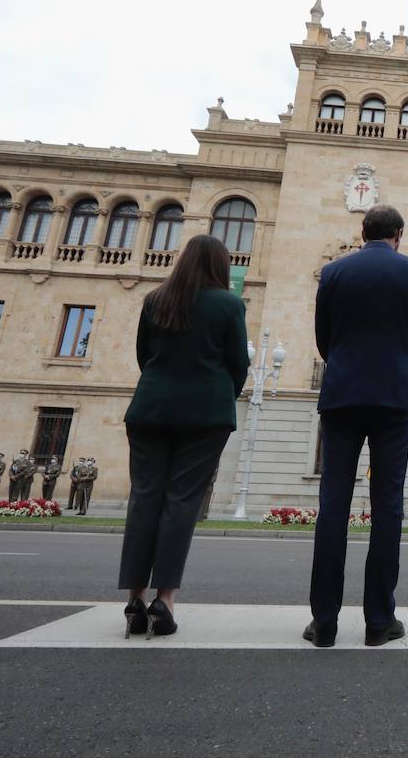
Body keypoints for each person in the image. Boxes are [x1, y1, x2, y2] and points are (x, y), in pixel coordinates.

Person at [305, 205, 408, 649]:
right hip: (393, 400)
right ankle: (380, 621)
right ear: (399, 234)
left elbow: (324, 337)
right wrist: (399, 370)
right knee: (388, 509)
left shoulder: (334, 273)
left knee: (333, 507)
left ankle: (324, 622)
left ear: (363, 233)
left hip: (341, 396)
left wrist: (343, 366)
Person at [118, 234, 248, 639]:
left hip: (150, 408)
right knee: (181, 501)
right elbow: (238, 363)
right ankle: (165, 599)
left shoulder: (156, 300)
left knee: (144, 498)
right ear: (220, 266)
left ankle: (135, 599)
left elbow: (144, 356)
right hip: (205, 414)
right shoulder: (229, 304)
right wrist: (222, 391)